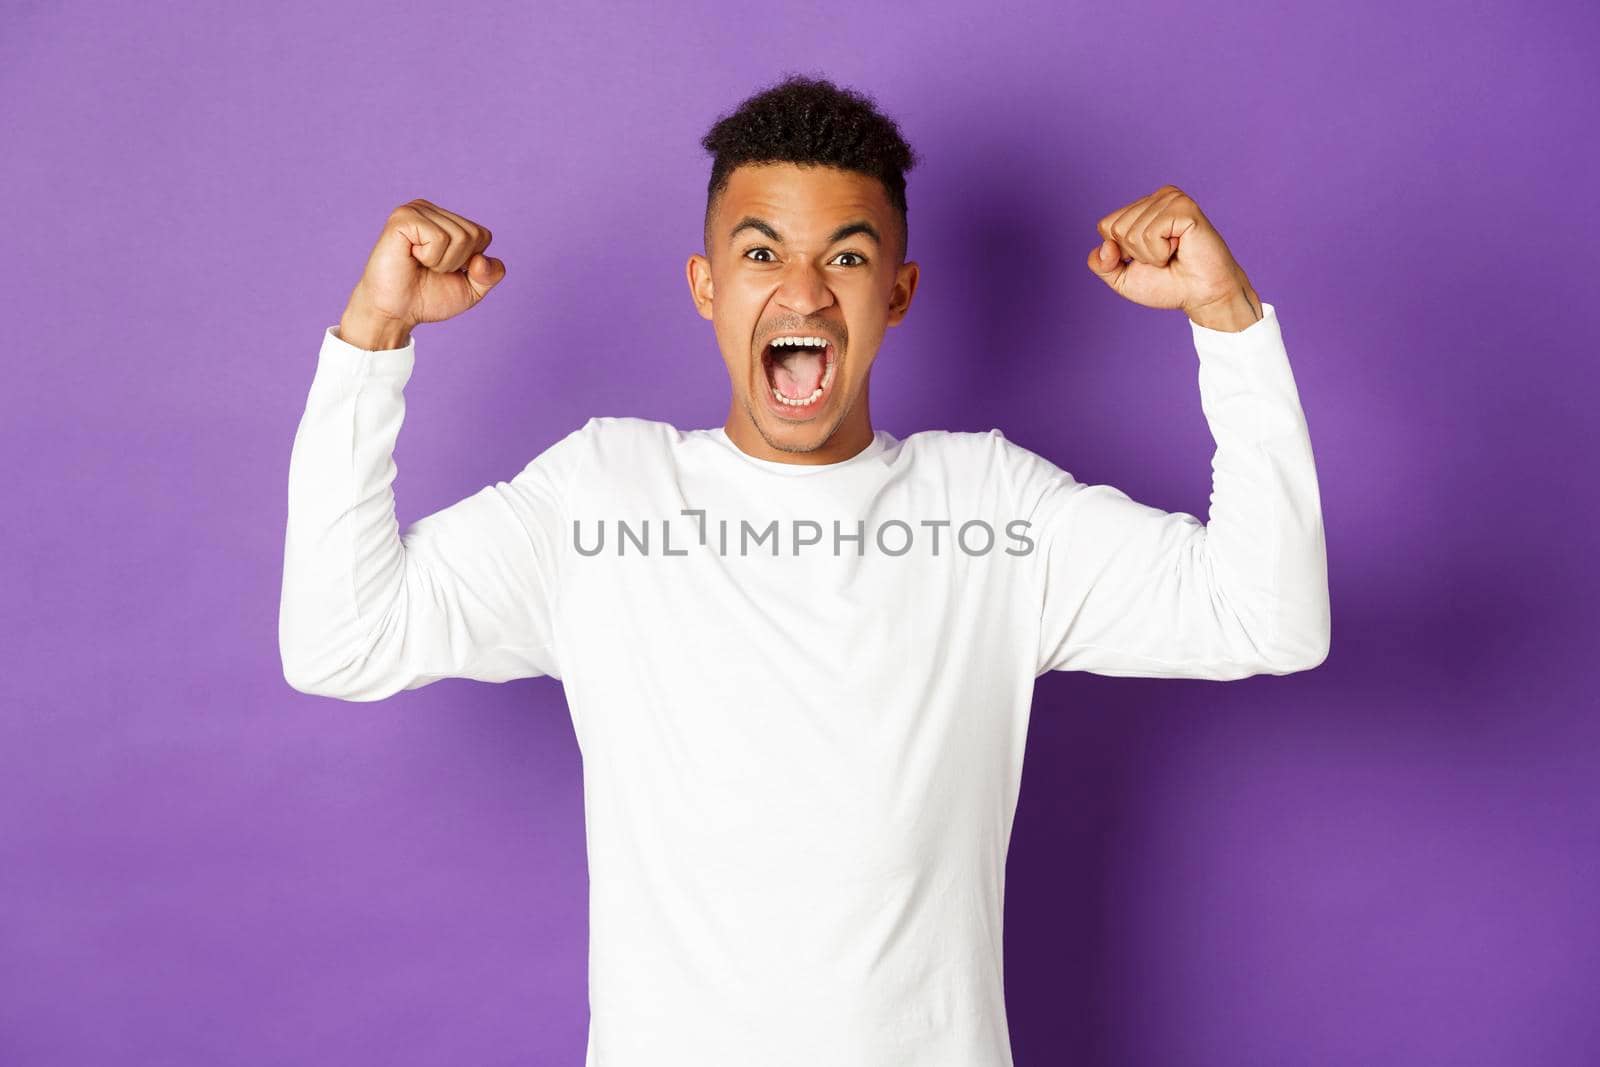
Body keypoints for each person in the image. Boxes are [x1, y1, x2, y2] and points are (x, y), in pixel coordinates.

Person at [279, 74, 1329, 1067]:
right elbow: (343, 640)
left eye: (845, 258)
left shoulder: (994, 509)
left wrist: (1227, 322)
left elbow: (1266, 619)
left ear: (898, 292)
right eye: (760, 253)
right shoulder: (600, 494)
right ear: (705, 286)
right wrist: (374, 337)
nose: (802, 293)